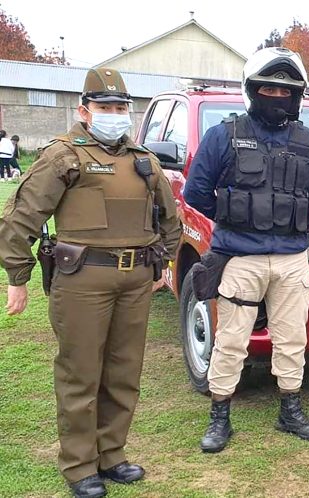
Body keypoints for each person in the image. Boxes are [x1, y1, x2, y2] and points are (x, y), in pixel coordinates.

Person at [0, 68, 181, 498]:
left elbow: (169, 217)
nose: (114, 115)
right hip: (82, 280)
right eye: (104, 107)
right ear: (85, 110)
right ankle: (80, 465)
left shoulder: (144, 160)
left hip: (135, 280)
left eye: (121, 108)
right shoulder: (64, 155)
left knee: (123, 371)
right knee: (81, 373)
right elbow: (23, 215)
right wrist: (16, 277)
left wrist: (164, 264)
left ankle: (112, 455)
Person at [183, 47, 309, 452]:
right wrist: (236, 218)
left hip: (291, 261)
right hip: (241, 259)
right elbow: (196, 192)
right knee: (231, 340)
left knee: (291, 338)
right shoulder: (223, 136)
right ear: (251, 90)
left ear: (297, 95)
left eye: (286, 91)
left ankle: (290, 410)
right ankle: (219, 416)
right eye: (268, 88)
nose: (277, 97)